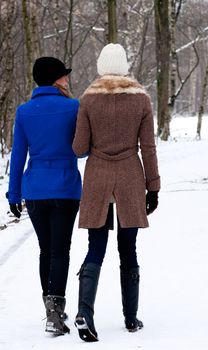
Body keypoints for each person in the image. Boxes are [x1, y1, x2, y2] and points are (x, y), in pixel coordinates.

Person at [72, 43, 160, 342]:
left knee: (95, 246)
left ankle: (85, 312)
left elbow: (80, 148)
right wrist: (154, 186)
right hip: (130, 177)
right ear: (125, 66)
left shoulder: (87, 100)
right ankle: (131, 318)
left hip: (97, 176)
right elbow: (148, 147)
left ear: (100, 66)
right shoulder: (141, 100)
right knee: (128, 248)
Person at [6, 57, 82, 336]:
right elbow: (81, 149)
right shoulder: (73, 107)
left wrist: (13, 194)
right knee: (61, 250)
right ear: (55, 79)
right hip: (64, 187)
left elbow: (18, 156)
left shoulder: (24, 112)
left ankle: (50, 309)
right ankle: (56, 311)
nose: (67, 79)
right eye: (64, 76)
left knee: (45, 249)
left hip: (35, 189)